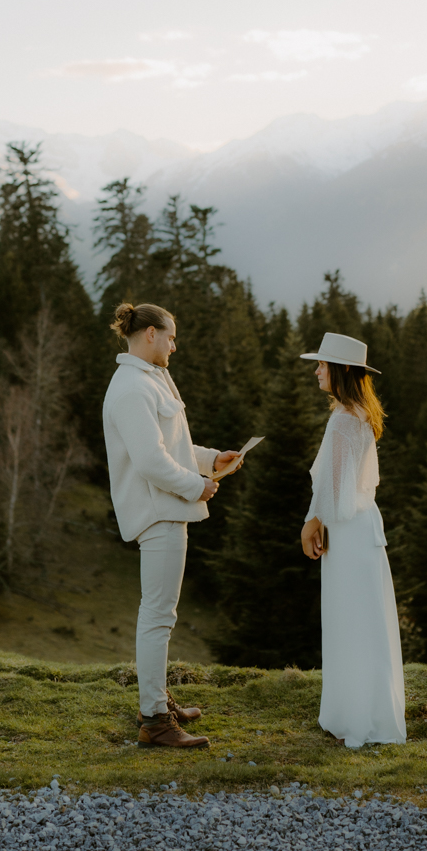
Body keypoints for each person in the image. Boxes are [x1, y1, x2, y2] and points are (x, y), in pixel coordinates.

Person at [102, 301, 244, 749]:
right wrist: (196, 485)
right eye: (170, 337)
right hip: (157, 511)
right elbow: (149, 461)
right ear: (149, 334)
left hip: (167, 507)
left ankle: (158, 700)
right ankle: (155, 721)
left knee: (161, 614)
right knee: (158, 616)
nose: (174, 345)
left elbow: (170, 444)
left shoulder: (152, 380)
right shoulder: (131, 388)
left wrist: (209, 459)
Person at [299, 332, 407, 748]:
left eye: (323, 365)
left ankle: (355, 719)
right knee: (364, 621)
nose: (317, 371)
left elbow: (336, 485)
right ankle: (369, 714)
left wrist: (313, 521)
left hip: (347, 527)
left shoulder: (344, 418)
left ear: (342, 370)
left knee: (350, 620)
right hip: (362, 525)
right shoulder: (360, 413)